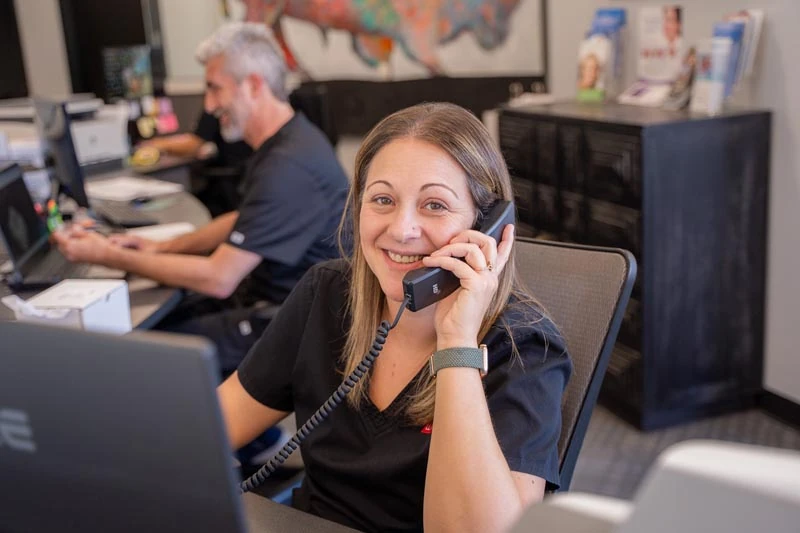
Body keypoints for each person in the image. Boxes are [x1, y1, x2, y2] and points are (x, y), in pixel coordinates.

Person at [218, 102, 572, 532]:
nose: (402, 229)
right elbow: (214, 426)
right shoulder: (327, 293)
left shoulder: (524, 346)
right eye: (382, 199)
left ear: (489, 227)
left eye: (435, 205)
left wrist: (456, 342)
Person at [53, 22, 349, 376]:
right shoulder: (291, 141)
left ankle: (236, 430)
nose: (209, 106)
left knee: (136, 349)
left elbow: (218, 278)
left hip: (286, 323)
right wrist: (160, 248)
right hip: (270, 300)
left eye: (214, 89)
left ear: (253, 85)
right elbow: (244, 220)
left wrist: (106, 255)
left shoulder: (288, 165)